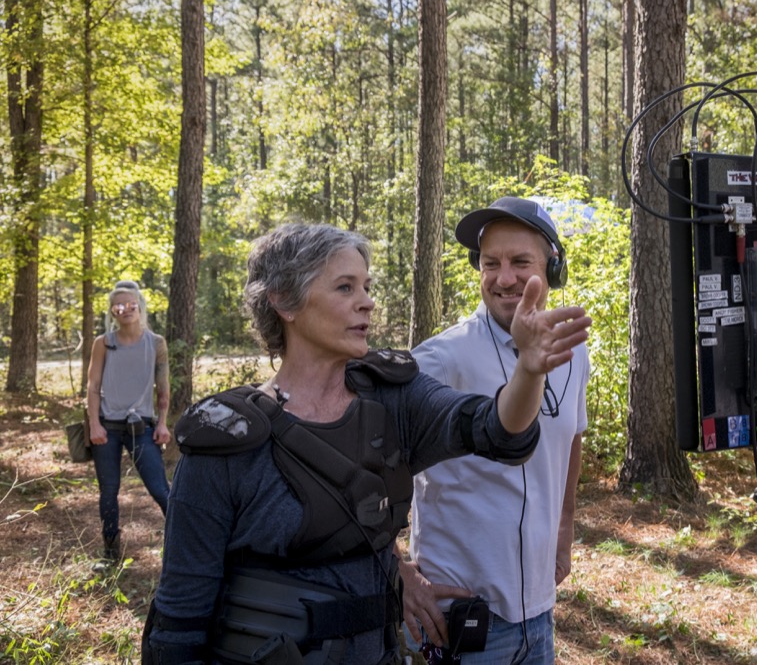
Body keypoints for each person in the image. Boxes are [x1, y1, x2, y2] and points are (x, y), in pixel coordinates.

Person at [142, 222, 590, 665]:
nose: (368, 302)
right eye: (345, 288)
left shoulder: (394, 398)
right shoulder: (227, 441)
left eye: (366, 286)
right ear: (283, 301)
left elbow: (497, 431)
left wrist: (528, 371)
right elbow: (180, 618)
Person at [400, 196, 590, 664]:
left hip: (538, 615)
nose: (504, 278)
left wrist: (564, 529)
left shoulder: (571, 351)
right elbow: (356, 457)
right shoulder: (439, 360)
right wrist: (396, 571)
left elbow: (572, 437)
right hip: (456, 620)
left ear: (553, 266)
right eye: (491, 264)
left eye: (520, 262)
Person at [86, 280, 172, 562]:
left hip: (143, 428)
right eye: (118, 306)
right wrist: (94, 425)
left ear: (140, 306)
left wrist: (162, 423)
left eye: (130, 304)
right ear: (112, 311)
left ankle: (184, 546)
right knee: (108, 491)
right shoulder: (104, 343)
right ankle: (110, 553)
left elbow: (163, 388)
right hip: (107, 429)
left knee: (160, 489)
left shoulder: (156, 343)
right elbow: (92, 385)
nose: (125, 309)